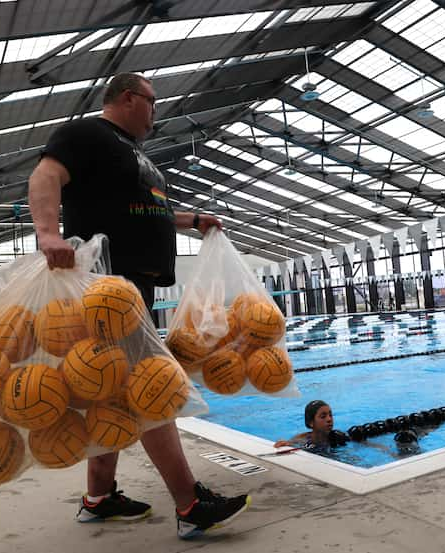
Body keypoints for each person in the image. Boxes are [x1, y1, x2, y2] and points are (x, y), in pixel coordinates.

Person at [27, 72, 248, 540]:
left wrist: (193, 220)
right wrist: (47, 233)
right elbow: (46, 175)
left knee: (113, 390)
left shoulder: (132, 154)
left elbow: (145, 209)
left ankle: (99, 498)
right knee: (150, 387)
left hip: (133, 286)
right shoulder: (85, 134)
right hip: (108, 288)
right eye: (152, 103)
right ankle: (190, 503)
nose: (155, 113)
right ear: (129, 98)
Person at [274, 400, 348, 453]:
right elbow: (291, 443)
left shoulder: (338, 437)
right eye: (323, 416)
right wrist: (287, 444)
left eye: (330, 415)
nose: (329, 419)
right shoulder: (302, 439)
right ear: (311, 423)